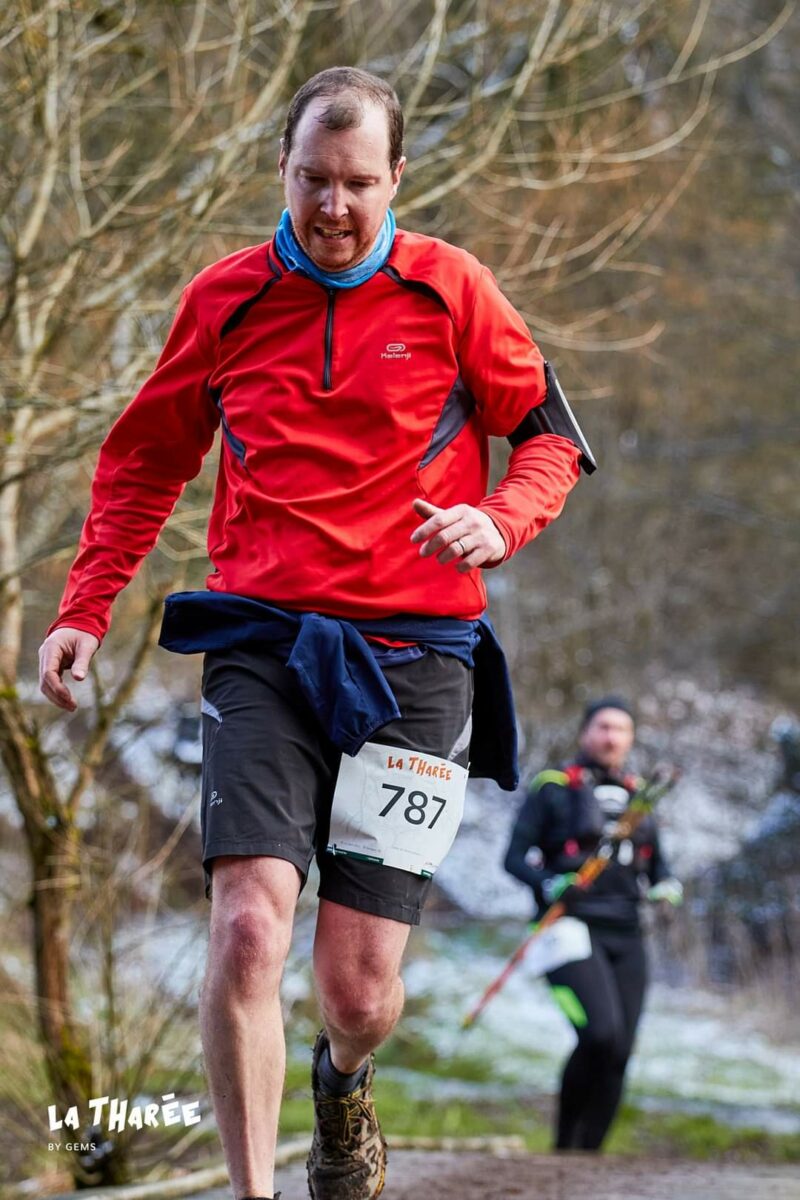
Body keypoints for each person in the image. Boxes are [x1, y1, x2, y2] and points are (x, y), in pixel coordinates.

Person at [38, 67, 595, 1200]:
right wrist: (85, 608)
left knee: (358, 990)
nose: (333, 206)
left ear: (396, 178)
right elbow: (143, 463)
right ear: (280, 170)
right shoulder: (225, 300)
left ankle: (344, 1083)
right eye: (311, 179)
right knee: (247, 928)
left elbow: (551, 440)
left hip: (419, 658)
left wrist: (500, 519)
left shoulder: (453, 290)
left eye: (356, 182)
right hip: (265, 643)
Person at [504, 697, 682, 1152]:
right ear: (585, 732)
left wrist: (667, 888)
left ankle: (589, 1158)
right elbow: (513, 859)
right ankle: (565, 1150)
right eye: (603, 726)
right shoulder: (553, 787)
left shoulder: (641, 796)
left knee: (619, 1051)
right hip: (568, 931)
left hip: (628, 933)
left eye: (621, 729)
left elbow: (659, 868)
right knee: (600, 1034)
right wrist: (550, 883)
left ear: (631, 739)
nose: (611, 737)